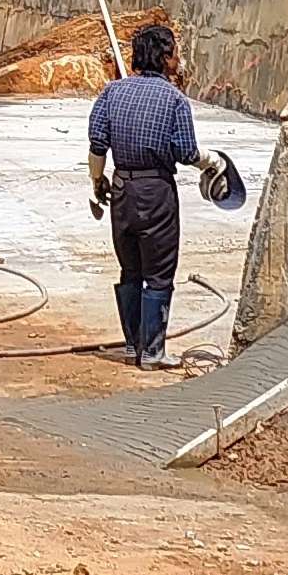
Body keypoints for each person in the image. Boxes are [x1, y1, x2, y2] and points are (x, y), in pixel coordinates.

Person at [84, 23, 234, 370]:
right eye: (175, 53)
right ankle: (152, 352)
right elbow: (184, 151)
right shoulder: (174, 100)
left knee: (130, 269)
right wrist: (213, 161)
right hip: (156, 193)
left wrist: (97, 182)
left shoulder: (111, 92)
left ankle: (132, 344)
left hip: (120, 189)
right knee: (159, 274)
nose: (178, 59)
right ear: (165, 57)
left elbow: (96, 146)